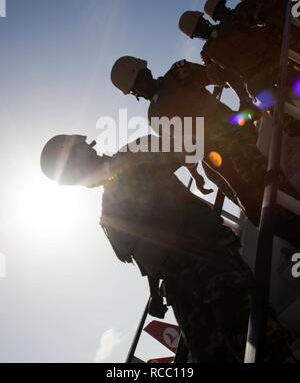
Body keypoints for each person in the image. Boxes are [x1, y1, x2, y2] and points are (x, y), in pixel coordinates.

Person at [40, 134, 295, 362]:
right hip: (181, 290)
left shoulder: (133, 154)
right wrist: (155, 293)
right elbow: (148, 251)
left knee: (260, 344)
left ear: (80, 153)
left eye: (72, 174)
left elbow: (188, 148)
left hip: (211, 265)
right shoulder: (108, 212)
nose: (78, 181)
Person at [111, 56, 300, 248]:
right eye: (135, 89)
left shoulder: (177, 75)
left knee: (265, 183)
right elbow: (182, 145)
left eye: (139, 82)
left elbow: (225, 74)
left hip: (232, 138)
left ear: (147, 72)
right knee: (255, 212)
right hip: (213, 163)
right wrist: (196, 175)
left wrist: (244, 101)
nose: (140, 90)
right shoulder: (153, 116)